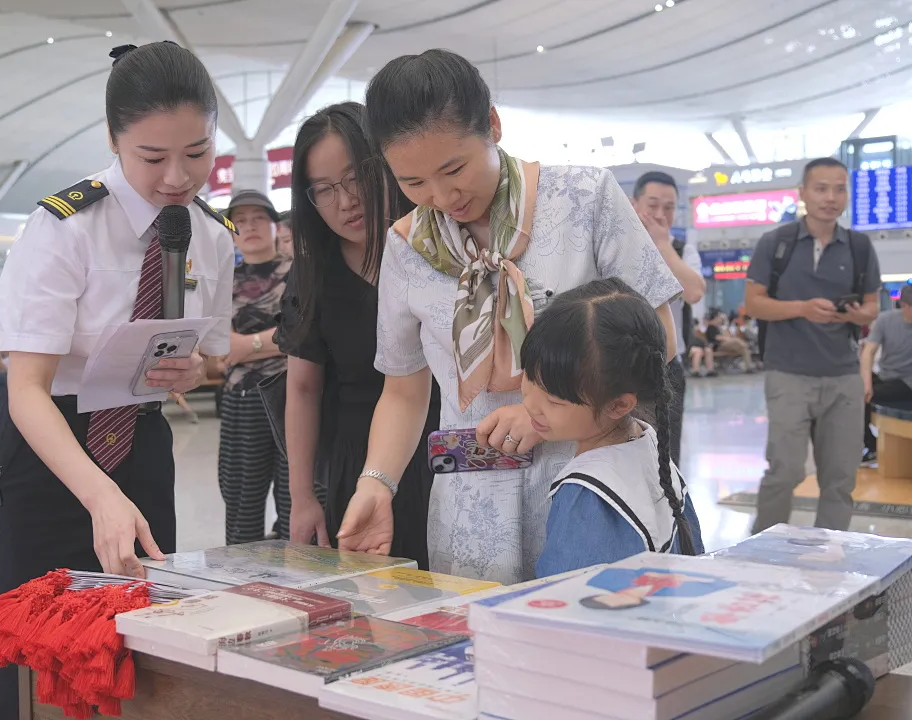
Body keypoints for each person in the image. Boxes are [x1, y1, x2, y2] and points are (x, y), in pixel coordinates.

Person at [337, 50, 682, 584]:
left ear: (493, 126)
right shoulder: (406, 248)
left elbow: (657, 340)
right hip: (470, 507)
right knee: (479, 629)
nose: (442, 196)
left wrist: (543, 412)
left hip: (587, 484)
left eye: (454, 169)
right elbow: (404, 391)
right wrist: (376, 483)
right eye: (413, 183)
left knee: (585, 621)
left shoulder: (582, 200)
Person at [0, 41, 233, 720]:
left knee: (134, 649)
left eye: (198, 153)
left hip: (141, 447)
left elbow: (213, 355)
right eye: (153, 157)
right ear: (113, 139)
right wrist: (100, 497)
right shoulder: (64, 227)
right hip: (51, 452)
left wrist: (193, 368)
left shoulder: (212, 234)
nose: (178, 176)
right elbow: (26, 389)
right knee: (41, 656)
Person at [276, 102, 440, 569]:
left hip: (447, 451)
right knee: (375, 595)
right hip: (360, 463)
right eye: (324, 189)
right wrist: (302, 497)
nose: (346, 201)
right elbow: (302, 389)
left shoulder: (441, 248)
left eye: (355, 178)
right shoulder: (314, 275)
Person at [520, 278, 703, 577]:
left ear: (618, 405)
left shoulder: (587, 492)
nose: (529, 404)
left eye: (553, 400)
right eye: (528, 377)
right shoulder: (648, 443)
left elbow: (563, 596)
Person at [745, 157, 880, 533]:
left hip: (843, 376)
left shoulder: (858, 246)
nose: (831, 198)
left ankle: (831, 549)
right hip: (788, 373)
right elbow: (754, 303)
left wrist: (854, 315)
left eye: (839, 189)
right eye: (821, 188)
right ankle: (762, 549)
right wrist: (802, 308)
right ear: (802, 193)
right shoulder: (776, 243)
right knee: (784, 471)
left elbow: (873, 308)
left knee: (840, 477)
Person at [218, 188, 291, 544]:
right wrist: (276, 342)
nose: (250, 226)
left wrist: (247, 346)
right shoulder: (221, 281)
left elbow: (307, 334)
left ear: (276, 226)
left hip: (295, 396)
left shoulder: (299, 273)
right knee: (241, 498)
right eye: (241, 221)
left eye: (259, 218)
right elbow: (215, 348)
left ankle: (302, 573)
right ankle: (241, 573)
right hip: (242, 399)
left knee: (297, 497)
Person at [630, 171, 705, 467]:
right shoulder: (618, 246)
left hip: (667, 366)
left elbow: (694, 292)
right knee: (622, 453)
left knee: (667, 456)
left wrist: (662, 246)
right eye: (653, 205)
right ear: (634, 204)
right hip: (620, 364)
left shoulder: (682, 250)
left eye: (669, 207)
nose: (661, 214)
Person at [861, 285, 912, 464]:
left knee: (862, 398)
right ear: (904, 306)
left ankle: (871, 447)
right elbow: (868, 352)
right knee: (854, 391)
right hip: (885, 376)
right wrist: (866, 382)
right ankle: (871, 444)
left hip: (906, 382)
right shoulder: (885, 320)